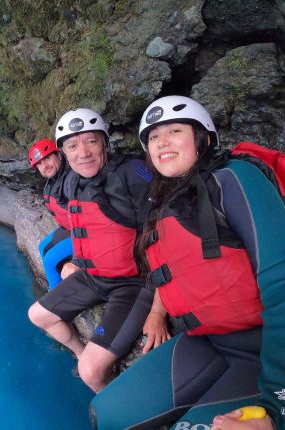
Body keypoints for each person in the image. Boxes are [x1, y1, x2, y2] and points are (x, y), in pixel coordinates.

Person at [90, 96, 284, 430]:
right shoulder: (166, 202)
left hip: (263, 349)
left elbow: (281, 282)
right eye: (153, 137)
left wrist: (278, 407)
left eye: (175, 131)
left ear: (203, 138)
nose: (162, 141)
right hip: (207, 339)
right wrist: (156, 312)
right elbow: (174, 271)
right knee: (104, 414)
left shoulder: (235, 178)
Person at [28, 108, 158, 393]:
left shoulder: (133, 172)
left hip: (132, 283)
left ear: (105, 142)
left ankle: (117, 408)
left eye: (91, 141)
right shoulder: (72, 181)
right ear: (64, 152)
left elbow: (164, 236)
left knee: (92, 372)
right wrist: (75, 260)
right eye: (73, 146)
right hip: (93, 275)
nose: (83, 153)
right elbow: (85, 229)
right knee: (37, 314)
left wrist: (159, 309)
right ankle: (79, 353)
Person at [28, 138, 72, 290]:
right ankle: (62, 282)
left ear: (59, 154)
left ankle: (55, 296)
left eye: (47, 159)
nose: (44, 166)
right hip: (69, 229)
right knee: (43, 246)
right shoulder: (54, 180)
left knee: (50, 260)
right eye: (39, 163)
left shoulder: (72, 178)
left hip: (87, 233)